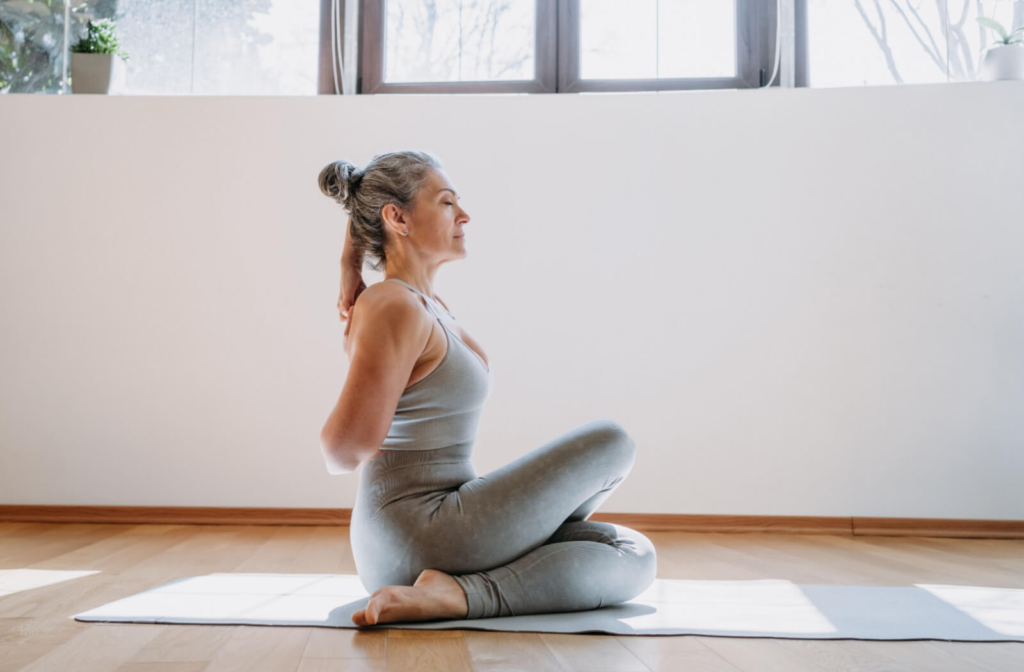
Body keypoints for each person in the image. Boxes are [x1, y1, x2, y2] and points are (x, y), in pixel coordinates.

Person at [316, 150, 656, 627]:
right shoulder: (393, 305)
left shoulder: (424, 303)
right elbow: (341, 451)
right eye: (447, 202)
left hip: (442, 525)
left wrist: (347, 260)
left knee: (633, 553)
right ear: (398, 217)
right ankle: (464, 594)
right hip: (415, 529)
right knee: (612, 443)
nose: (464, 215)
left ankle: (455, 593)